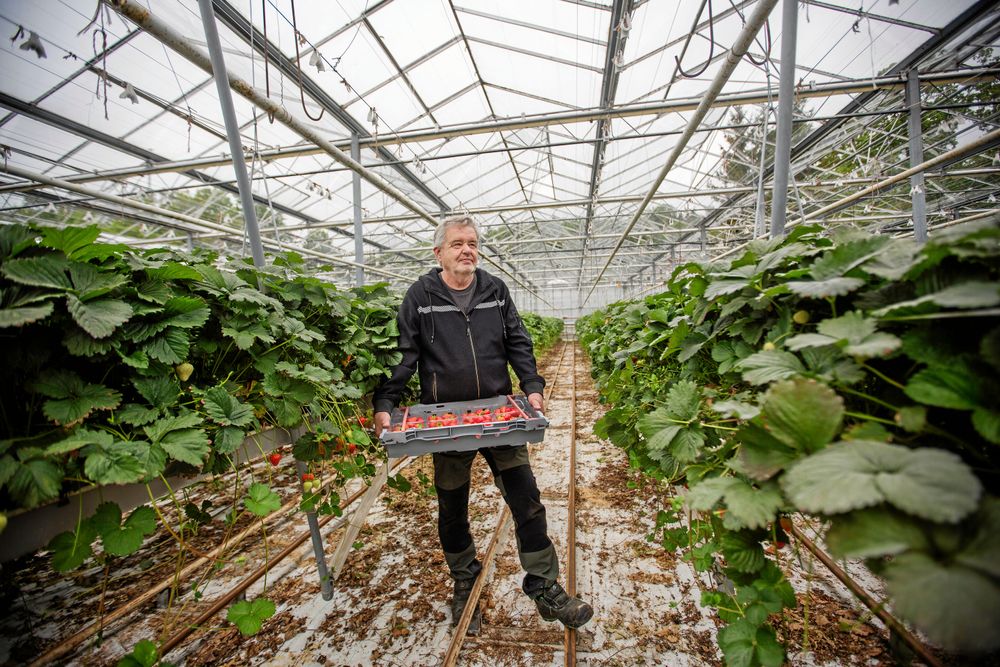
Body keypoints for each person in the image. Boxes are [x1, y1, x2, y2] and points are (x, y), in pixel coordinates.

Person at [373, 215, 593, 634]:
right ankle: (465, 580)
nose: (467, 250)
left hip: (499, 417)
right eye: (457, 243)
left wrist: (531, 385)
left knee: (526, 498)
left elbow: (517, 340)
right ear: (438, 252)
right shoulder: (420, 296)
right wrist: (386, 400)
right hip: (446, 422)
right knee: (452, 507)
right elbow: (405, 353)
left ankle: (543, 586)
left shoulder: (495, 289)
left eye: (472, 243)